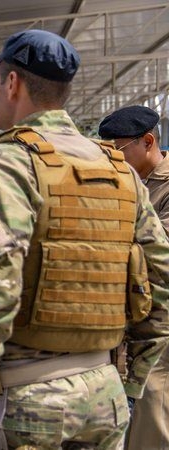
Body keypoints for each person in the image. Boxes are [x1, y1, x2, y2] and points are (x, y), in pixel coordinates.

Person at [0, 30, 169, 449]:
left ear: (11, 84)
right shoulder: (121, 171)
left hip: (22, 402)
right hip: (105, 397)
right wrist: (132, 385)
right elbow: (161, 282)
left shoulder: (5, 165)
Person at [98, 105, 169, 450]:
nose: (113, 158)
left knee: (152, 401)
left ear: (148, 141)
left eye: (119, 149)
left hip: (162, 317)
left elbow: (157, 249)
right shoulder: (127, 181)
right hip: (133, 314)